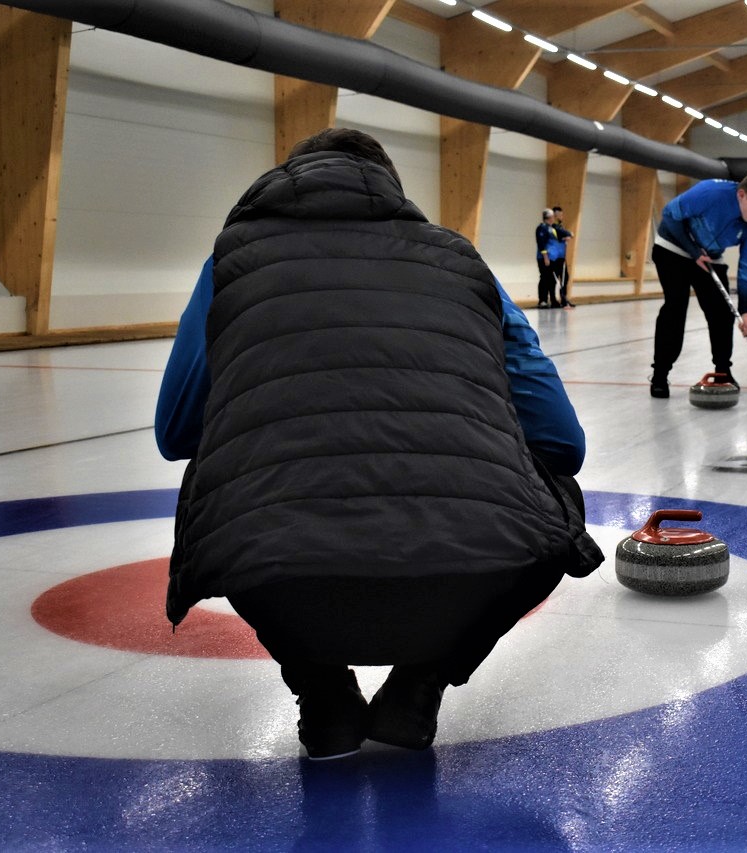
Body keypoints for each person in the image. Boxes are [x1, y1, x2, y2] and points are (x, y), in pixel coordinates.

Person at [155, 127, 603, 760]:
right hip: (469, 573)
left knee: (220, 474)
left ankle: (323, 697)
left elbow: (177, 435)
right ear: (392, 189)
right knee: (557, 498)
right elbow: (562, 442)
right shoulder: (460, 258)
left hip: (283, 577)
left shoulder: (231, 260)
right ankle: (418, 691)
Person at [648, 170, 747, 398]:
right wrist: (691, 250)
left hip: (709, 256)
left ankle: (722, 370)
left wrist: (746, 312)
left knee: (723, 312)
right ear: (741, 195)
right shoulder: (710, 192)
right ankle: (660, 373)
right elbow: (669, 214)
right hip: (673, 247)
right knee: (675, 307)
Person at [535, 208, 562, 308]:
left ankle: (553, 299)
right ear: (549, 217)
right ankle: (543, 300)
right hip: (544, 258)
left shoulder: (552, 228)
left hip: (553, 258)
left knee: (552, 279)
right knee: (544, 278)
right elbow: (541, 243)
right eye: (552, 217)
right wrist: (545, 256)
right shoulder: (542, 228)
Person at [551, 206, 574, 307]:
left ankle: (563, 298)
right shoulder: (553, 227)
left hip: (561, 256)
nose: (561, 216)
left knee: (565, 277)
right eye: (559, 214)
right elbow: (564, 234)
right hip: (555, 257)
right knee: (554, 280)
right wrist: (568, 234)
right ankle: (554, 300)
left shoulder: (560, 226)